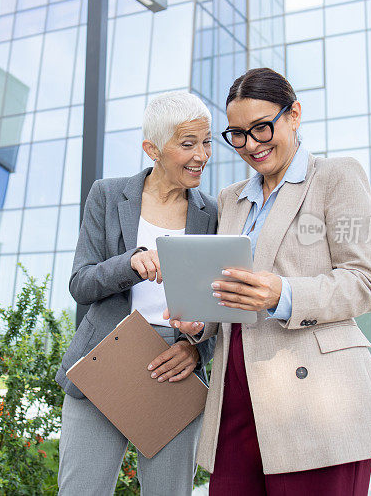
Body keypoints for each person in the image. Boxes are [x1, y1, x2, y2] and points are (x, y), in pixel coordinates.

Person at [169, 68, 371, 495]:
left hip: (319, 398)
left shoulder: (337, 177)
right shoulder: (230, 200)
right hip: (236, 390)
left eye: (261, 128)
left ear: (294, 114)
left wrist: (284, 293)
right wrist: (200, 324)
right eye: (237, 134)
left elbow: (363, 282)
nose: (251, 145)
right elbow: (226, 292)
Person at [56, 91, 218, 495]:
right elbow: (81, 283)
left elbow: (219, 308)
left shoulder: (212, 213)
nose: (203, 155)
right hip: (106, 357)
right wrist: (130, 263)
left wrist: (197, 349)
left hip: (174, 364)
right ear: (152, 149)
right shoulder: (108, 195)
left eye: (207, 141)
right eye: (188, 144)